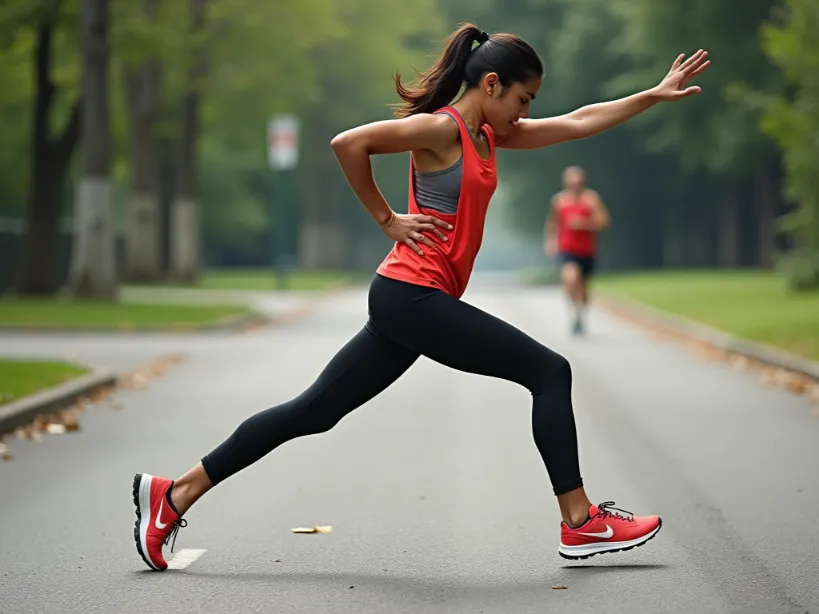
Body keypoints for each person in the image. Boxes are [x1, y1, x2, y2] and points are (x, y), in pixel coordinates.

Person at [132, 23, 710, 571]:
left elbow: (581, 121)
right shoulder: (442, 130)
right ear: (490, 86)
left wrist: (653, 96)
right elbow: (348, 144)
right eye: (523, 98)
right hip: (412, 295)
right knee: (549, 371)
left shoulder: (489, 135)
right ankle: (578, 520)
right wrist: (387, 218)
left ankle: (174, 493)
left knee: (314, 412)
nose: (526, 111)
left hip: (406, 299)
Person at [544, 166, 611, 335]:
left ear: (583, 182)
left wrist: (584, 223)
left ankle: (580, 315)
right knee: (570, 278)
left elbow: (604, 221)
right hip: (567, 248)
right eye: (571, 182)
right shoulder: (559, 200)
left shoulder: (591, 199)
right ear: (565, 182)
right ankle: (574, 312)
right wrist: (551, 242)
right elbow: (553, 223)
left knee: (584, 287)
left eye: (578, 182)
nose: (574, 185)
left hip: (586, 249)